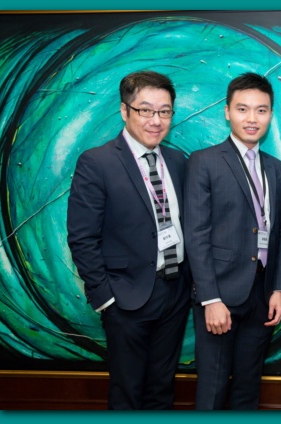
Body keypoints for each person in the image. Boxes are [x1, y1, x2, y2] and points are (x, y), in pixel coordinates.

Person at [67, 70, 191, 409]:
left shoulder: (178, 161)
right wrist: (105, 298)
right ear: (125, 111)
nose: (156, 120)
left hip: (175, 291)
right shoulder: (97, 162)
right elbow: (82, 236)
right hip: (125, 297)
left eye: (164, 111)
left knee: (162, 389)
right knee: (127, 392)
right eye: (145, 110)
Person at [184, 72, 281, 410]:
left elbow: (280, 232)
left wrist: (278, 289)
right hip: (220, 295)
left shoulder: (277, 169)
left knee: (248, 387)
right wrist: (210, 298)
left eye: (261, 110)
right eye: (243, 109)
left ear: (270, 115)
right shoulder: (204, 161)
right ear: (227, 112)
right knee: (213, 390)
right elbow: (196, 234)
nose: (252, 118)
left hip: (262, 294)